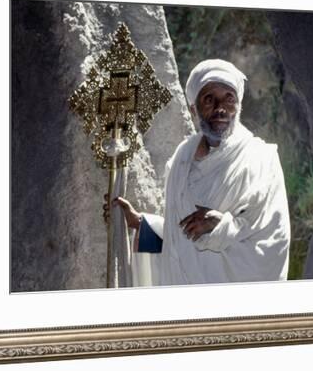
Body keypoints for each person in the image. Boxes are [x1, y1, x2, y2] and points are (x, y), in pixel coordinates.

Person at [108, 59, 291, 286]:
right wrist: (142, 225)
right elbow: (180, 238)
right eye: (209, 99)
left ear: (239, 105)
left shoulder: (261, 159)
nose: (220, 108)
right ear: (194, 108)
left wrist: (221, 225)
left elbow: (273, 240)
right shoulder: (181, 159)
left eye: (229, 98)